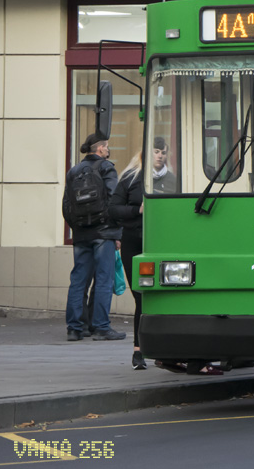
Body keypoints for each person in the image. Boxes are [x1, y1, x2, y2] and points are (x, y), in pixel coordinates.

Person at [64, 132, 126, 341]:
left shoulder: (73, 171)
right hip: (104, 233)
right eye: (106, 147)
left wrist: (78, 227)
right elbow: (113, 201)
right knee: (103, 280)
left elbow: (66, 206)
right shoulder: (106, 167)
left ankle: (75, 328)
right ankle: (101, 326)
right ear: (100, 149)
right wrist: (116, 231)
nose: (108, 150)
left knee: (78, 279)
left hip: (81, 233)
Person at [109, 152, 146, 369]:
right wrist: (136, 210)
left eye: (163, 152)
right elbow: (113, 209)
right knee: (140, 297)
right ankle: (138, 351)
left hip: (160, 242)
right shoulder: (131, 178)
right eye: (155, 152)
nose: (159, 156)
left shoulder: (170, 178)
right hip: (133, 240)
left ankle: (156, 350)